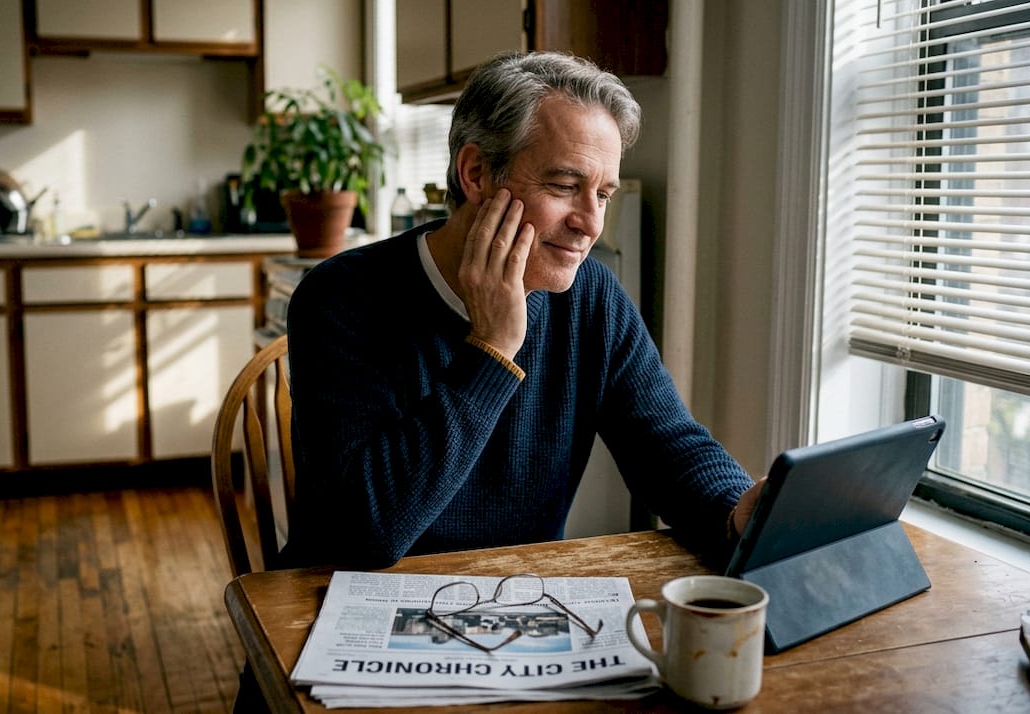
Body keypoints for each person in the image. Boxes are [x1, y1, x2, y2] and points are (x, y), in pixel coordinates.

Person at [282, 50, 764, 570]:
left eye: (602, 195)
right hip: (336, 604)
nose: (590, 223)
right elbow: (365, 535)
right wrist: (492, 350)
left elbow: (668, 447)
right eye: (564, 186)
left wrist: (738, 511)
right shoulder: (340, 298)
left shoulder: (591, 298)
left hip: (516, 601)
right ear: (476, 173)